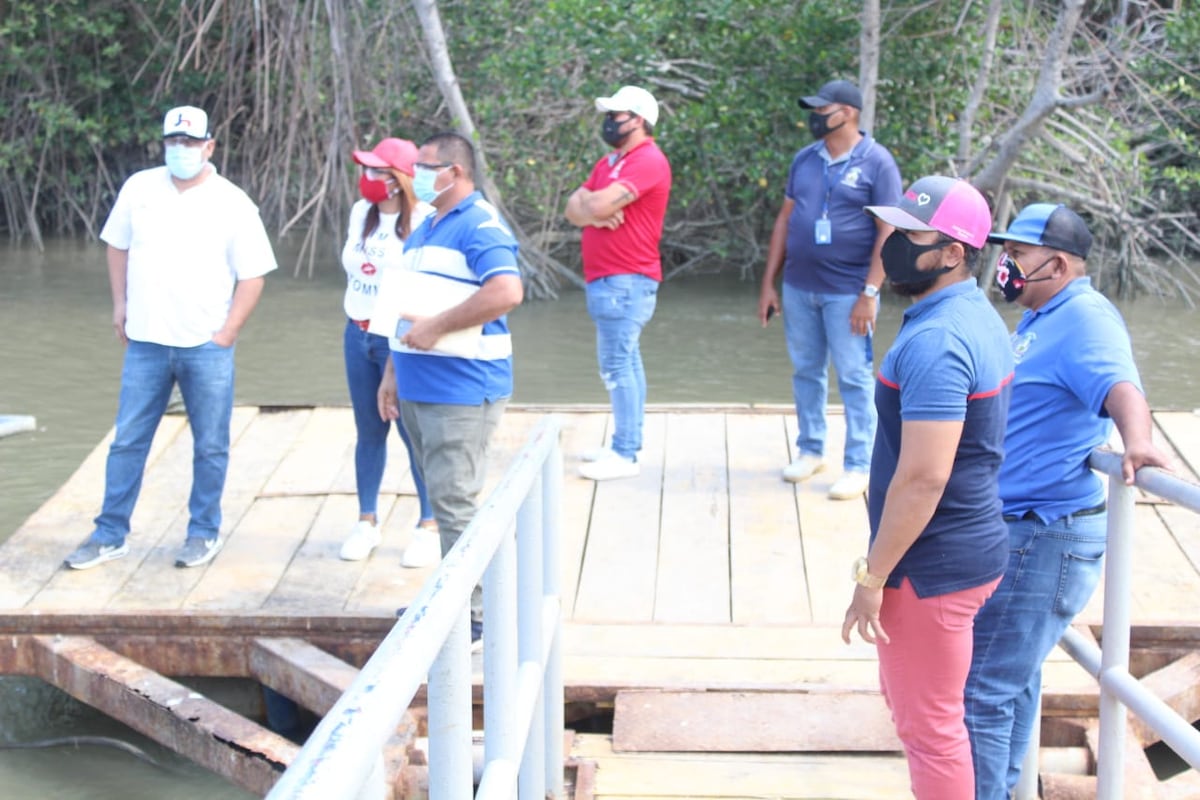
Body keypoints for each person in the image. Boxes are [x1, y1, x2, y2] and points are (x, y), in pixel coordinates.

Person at [964, 203, 1171, 799]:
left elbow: (1120, 384)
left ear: (1056, 265)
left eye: (1017, 255)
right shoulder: (1040, 316)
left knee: (983, 690)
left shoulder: (1084, 316)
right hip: (1019, 526)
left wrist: (1137, 441)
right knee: (1009, 679)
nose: (1006, 265)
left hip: (1045, 532)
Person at [842, 176, 1013, 799]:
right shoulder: (973, 314)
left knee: (930, 729)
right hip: (967, 547)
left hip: (932, 565)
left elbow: (923, 478)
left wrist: (872, 578)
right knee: (924, 711)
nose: (892, 243)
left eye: (911, 235)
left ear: (952, 253)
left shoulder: (938, 341)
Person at [64, 105, 277, 570]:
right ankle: (109, 533)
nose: (181, 150)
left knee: (211, 444)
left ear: (209, 146)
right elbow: (117, 245)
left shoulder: (233, 202)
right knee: (128, 440)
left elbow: (254, 275)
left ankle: (203, 531)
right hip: (145, 341)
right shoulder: (139, 188)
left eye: (190, 142)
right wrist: (120, 303)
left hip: (205, 344)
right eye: (173, 142)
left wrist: (227, 333)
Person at [377, 132, 523, 637]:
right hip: (419, 383)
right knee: (444, 499)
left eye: (425, 166)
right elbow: (406, 307)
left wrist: (437, 326)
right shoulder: (426, 226)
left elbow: (507, 291)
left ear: (454, 172)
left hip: (461, 386)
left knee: (455, 499)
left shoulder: (478, 225)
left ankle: (476, 617)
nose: (415, 174)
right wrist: (391, 373)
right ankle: (453, 599)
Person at [759, 79, 902, 500]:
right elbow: (785, 220)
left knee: (854, 376)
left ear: (849, 113)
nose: (815, 117)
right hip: (798, 286)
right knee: (806, 370)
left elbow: (888, 231)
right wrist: (769, 284)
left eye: (823, 109)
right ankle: (810, 449)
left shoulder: (878, 162)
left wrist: (870, 293)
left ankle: (859, 463)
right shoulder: (805, 159)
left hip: (849, 292)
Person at [337, 137, 439, 564]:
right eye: (366, 169)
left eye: (377, 171)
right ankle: (366, 521)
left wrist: (401, 350)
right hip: (357, 333)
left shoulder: (425, 219)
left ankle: (429, 525)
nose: (368, 178)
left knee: (412, 432)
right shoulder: (361, 212)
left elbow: (423, 291)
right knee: (368, 430)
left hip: (398, 340)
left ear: (398, 179)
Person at [565, 85, 672, 481]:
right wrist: (593, 212)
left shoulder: (648, 160)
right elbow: (573, 208)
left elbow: (591, 203)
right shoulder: (609, 162)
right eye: (608, 114)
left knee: (616, 364)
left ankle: (626, 454)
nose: (609, 122)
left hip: (626, 279)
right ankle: (625, 443)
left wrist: (592, 207)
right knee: (627, 361)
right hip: (609, 278)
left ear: (638, 120)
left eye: (616, 114)